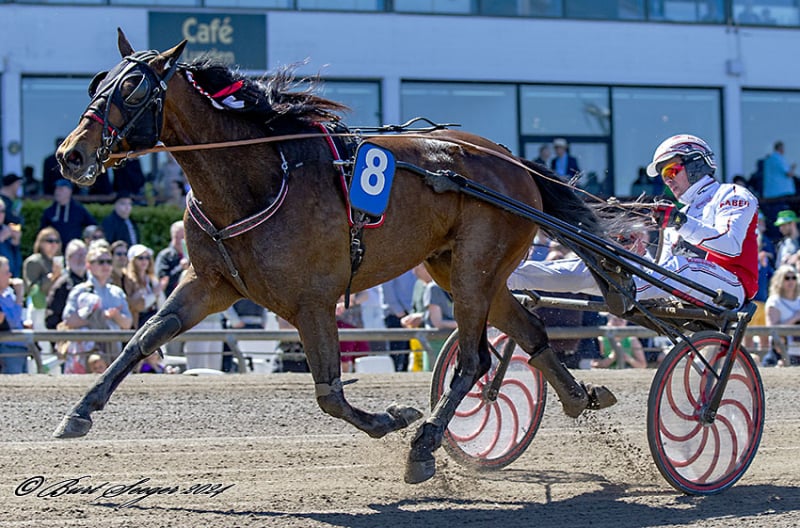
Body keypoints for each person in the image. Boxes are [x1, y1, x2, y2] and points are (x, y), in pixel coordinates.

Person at [509, 134, 759, 309]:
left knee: (680, 265)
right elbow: (661, 266)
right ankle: (510, 277)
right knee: (599, 262)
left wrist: (680, 222)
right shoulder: (680, 211)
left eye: (671, 170)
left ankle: (626, 289)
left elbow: (731, 245)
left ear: (696, 164)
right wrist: (622, 252)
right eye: (663, 175)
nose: (667, 180)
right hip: (686, 281)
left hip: (731, 287)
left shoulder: (732, 194)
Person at [60, 245, 133, 373]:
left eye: (109, 262)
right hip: (83, 353)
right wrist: (99, 316)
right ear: (89, 265)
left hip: (111, 352)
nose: (105, 265)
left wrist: (116, 316)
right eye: (100, 262)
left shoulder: (117, 292)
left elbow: (127, 324)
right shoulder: (80, 291)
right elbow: (68, 321)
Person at [45, 239, 88, 331]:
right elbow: (51, 317)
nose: (82, 258)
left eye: (84, 255)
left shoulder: (91, 282)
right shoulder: (62, 285)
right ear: (68, 258)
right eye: (78, 255)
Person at [40, 178, 97, 246]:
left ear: (69, 191)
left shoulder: (79, 210)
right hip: (55, 250)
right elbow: (42, 232)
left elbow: (93, 226)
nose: (57, 192)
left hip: (74, 250)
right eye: (56, 189)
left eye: (61, 189)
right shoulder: (49, 211)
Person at [762, 264, 800, 367]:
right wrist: (794, 318)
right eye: (787, 278)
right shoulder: (774, 302)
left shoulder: (799, 300)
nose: (791, 281)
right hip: (781, 352)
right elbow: (772, 329)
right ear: (780, 280)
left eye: (794, 277)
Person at [381, 270, 417, 372]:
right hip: (395, 315)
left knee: (408, 352)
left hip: (410, 314)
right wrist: (399, 311)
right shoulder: (393, 264)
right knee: (397, 353)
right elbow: (387, 289)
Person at [121, 244, 162, 329]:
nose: (144, 261)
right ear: (133, 260)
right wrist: (154, 294)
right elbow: (135, 305)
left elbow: (161, 303)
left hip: (154, 320)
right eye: (140, 258)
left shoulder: (152, 279)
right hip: (138, 323)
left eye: (147, 257)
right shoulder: (128, 279)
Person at [0, 256, 29, 374]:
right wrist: (20, 296)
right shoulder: (16, 295)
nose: (10, 275)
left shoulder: (9, 294)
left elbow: (18, 321)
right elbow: (11, 322)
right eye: (6, 272)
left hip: (22, 347)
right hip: (7, 349)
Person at [762, 141, 797, 237]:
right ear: (780, 148)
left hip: (771, 197)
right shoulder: (777, 158)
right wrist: (793, 168)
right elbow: (788, 173)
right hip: (779, 197)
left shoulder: (769, 159)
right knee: (783, 221)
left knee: (774, 220)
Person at [156, 220, 187, 299]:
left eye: (184, 237)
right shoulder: (164, 256)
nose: (181, 241)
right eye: (177, 237)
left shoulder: (192, 255)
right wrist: (179, 268)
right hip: (171, 298)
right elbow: (162, 282)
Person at [0, 200, 22, 278]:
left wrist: (15, 244)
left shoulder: (6, 230)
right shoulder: (4, 234)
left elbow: (16, 265)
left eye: (2, 211)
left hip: (8, 281)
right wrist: (1, 239)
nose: (0, 214)